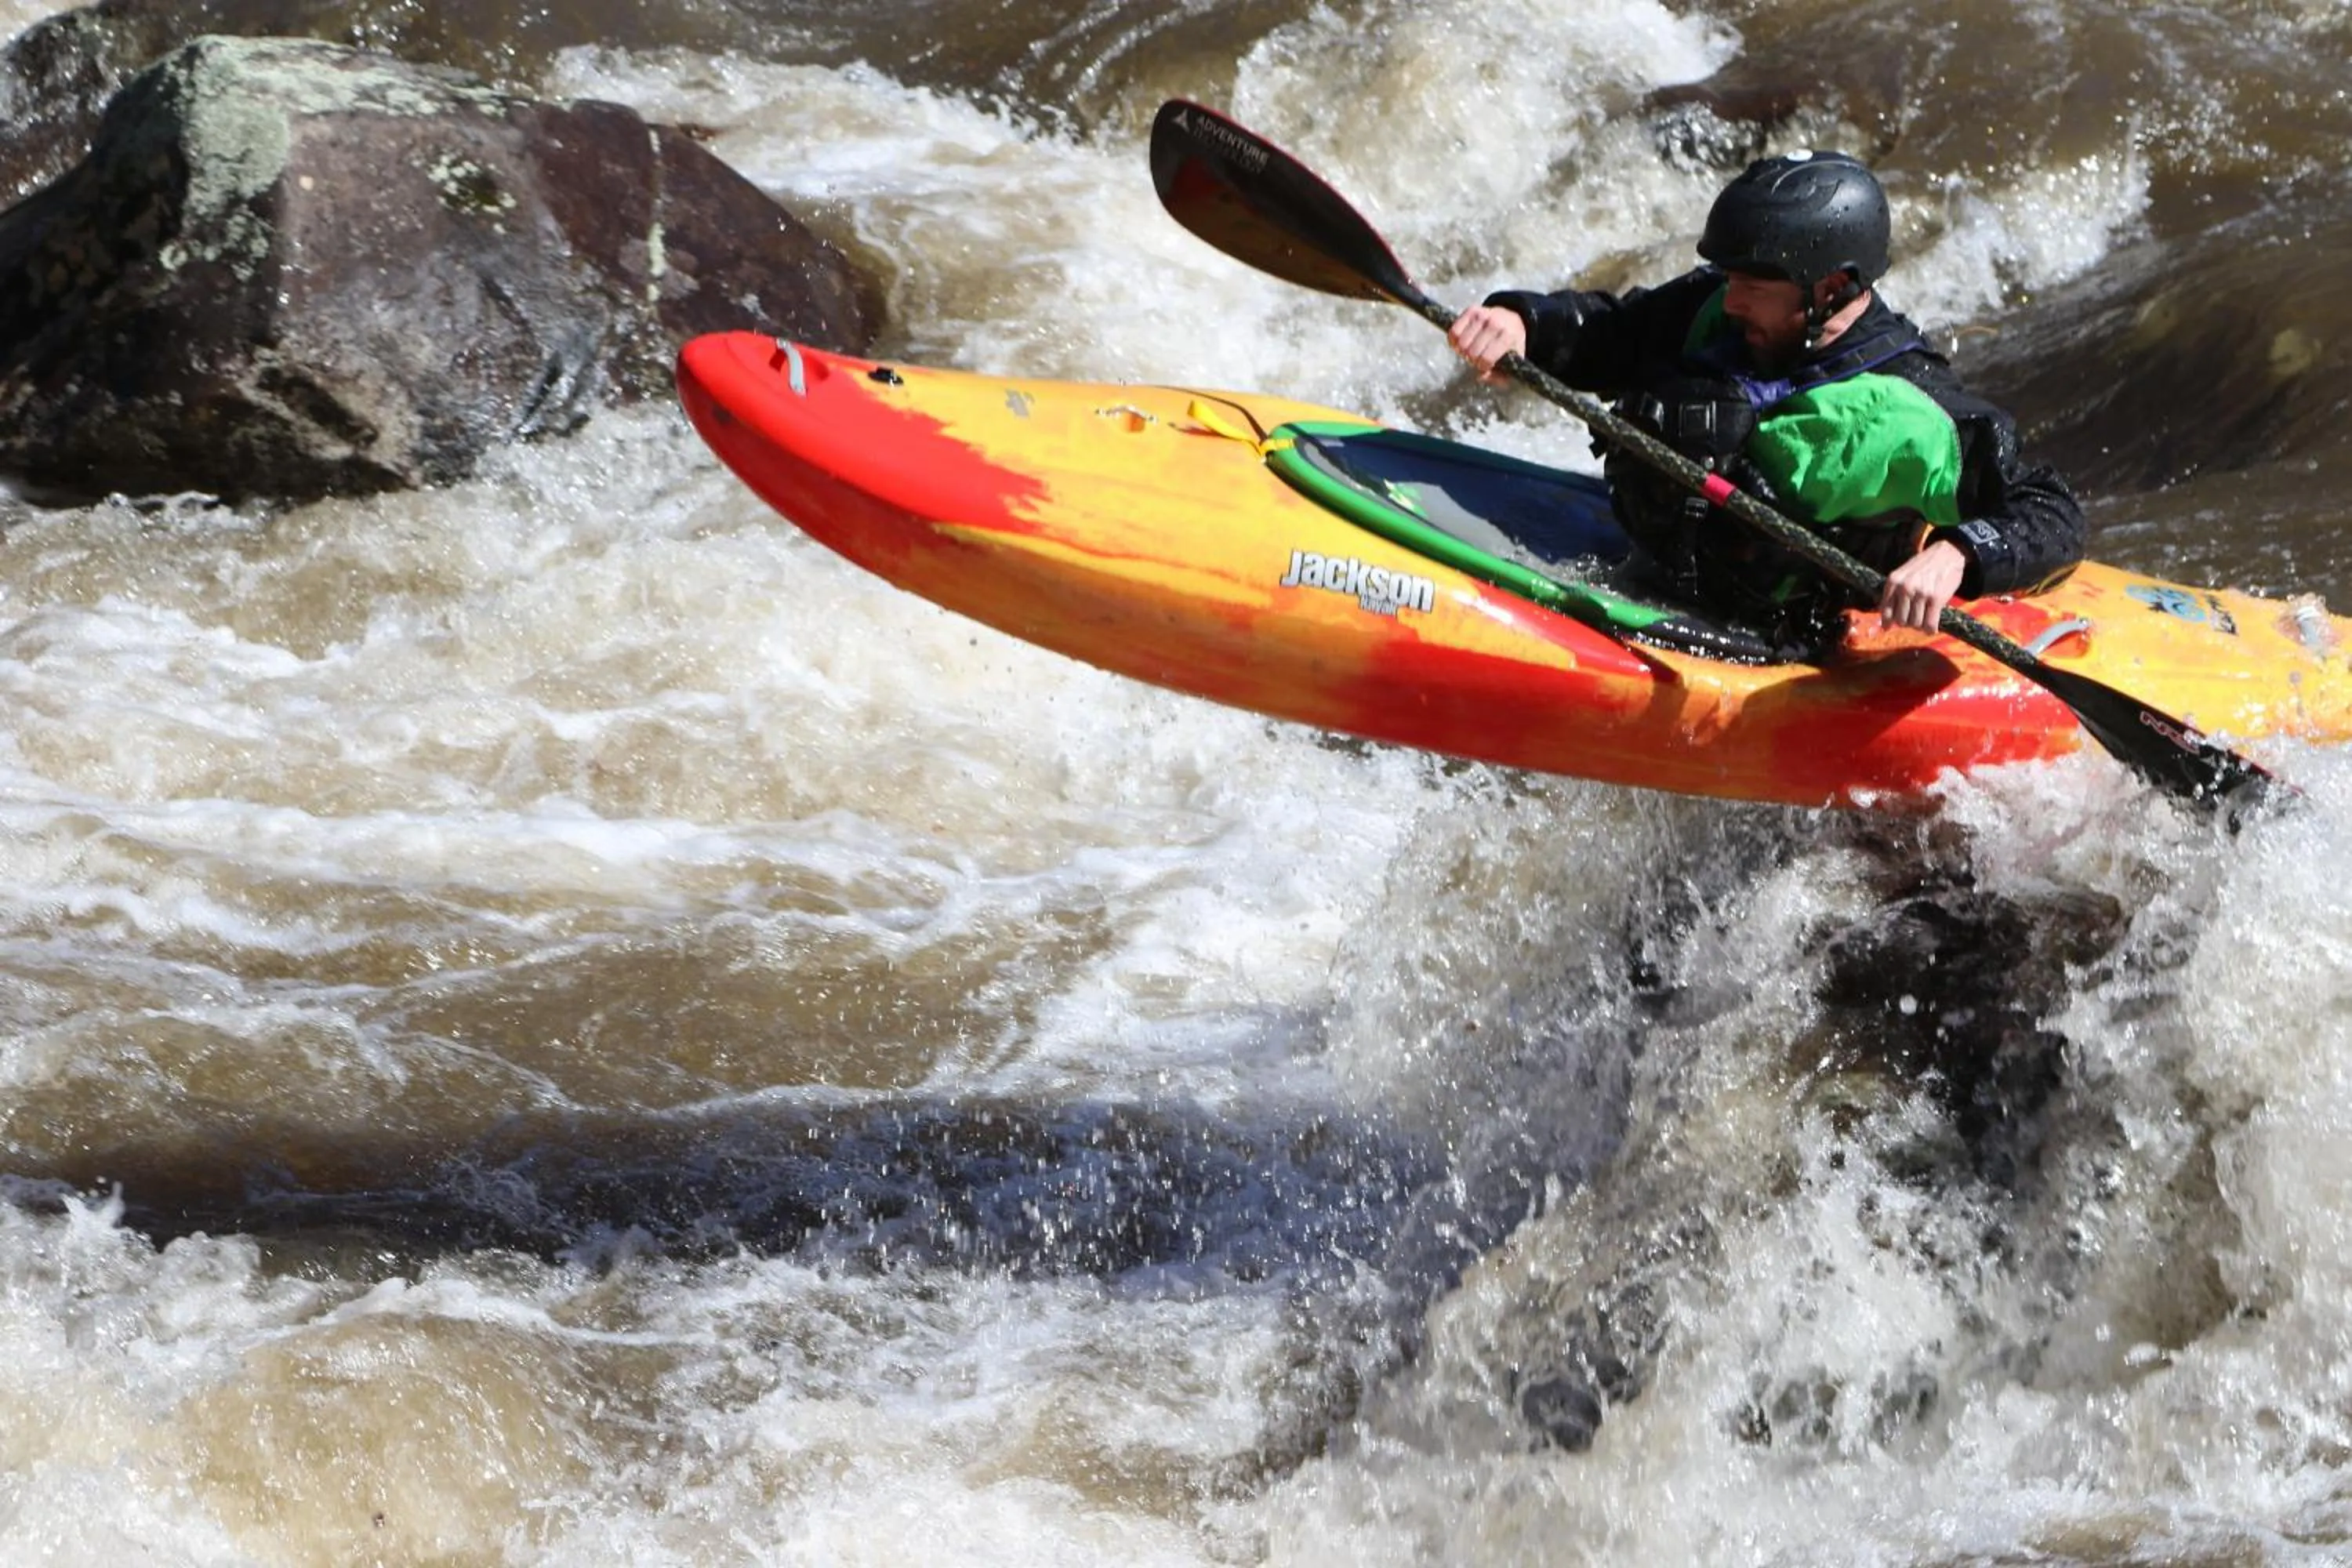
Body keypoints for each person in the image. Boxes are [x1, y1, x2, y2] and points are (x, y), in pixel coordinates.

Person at [1446, 151, 2085, 655]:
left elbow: (2053, 512)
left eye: (1752, 285)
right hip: (1643, 575)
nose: (1731, 301)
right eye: (1730, 280)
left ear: (1830, 288)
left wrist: (1958, 555)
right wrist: (1525, 323)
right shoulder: (1717, 311)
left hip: (1778, 644)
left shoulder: (1915, 415)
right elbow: (1612, 333)